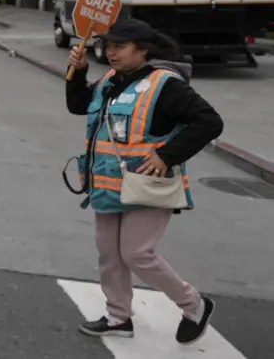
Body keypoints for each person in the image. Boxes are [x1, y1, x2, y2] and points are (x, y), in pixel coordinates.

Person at [65, 18, 223, 344]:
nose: (111, 52)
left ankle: (194, 305)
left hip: (147, 186)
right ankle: (118, 316)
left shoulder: (165, 84)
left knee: (137, 254)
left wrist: (167, 155)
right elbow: (78, 105)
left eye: (119, 47)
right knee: (108, 254)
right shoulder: (111, 80)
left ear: (143, 50)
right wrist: (79, 72)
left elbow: (209, 121)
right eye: (109, 46)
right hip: (108, 186)